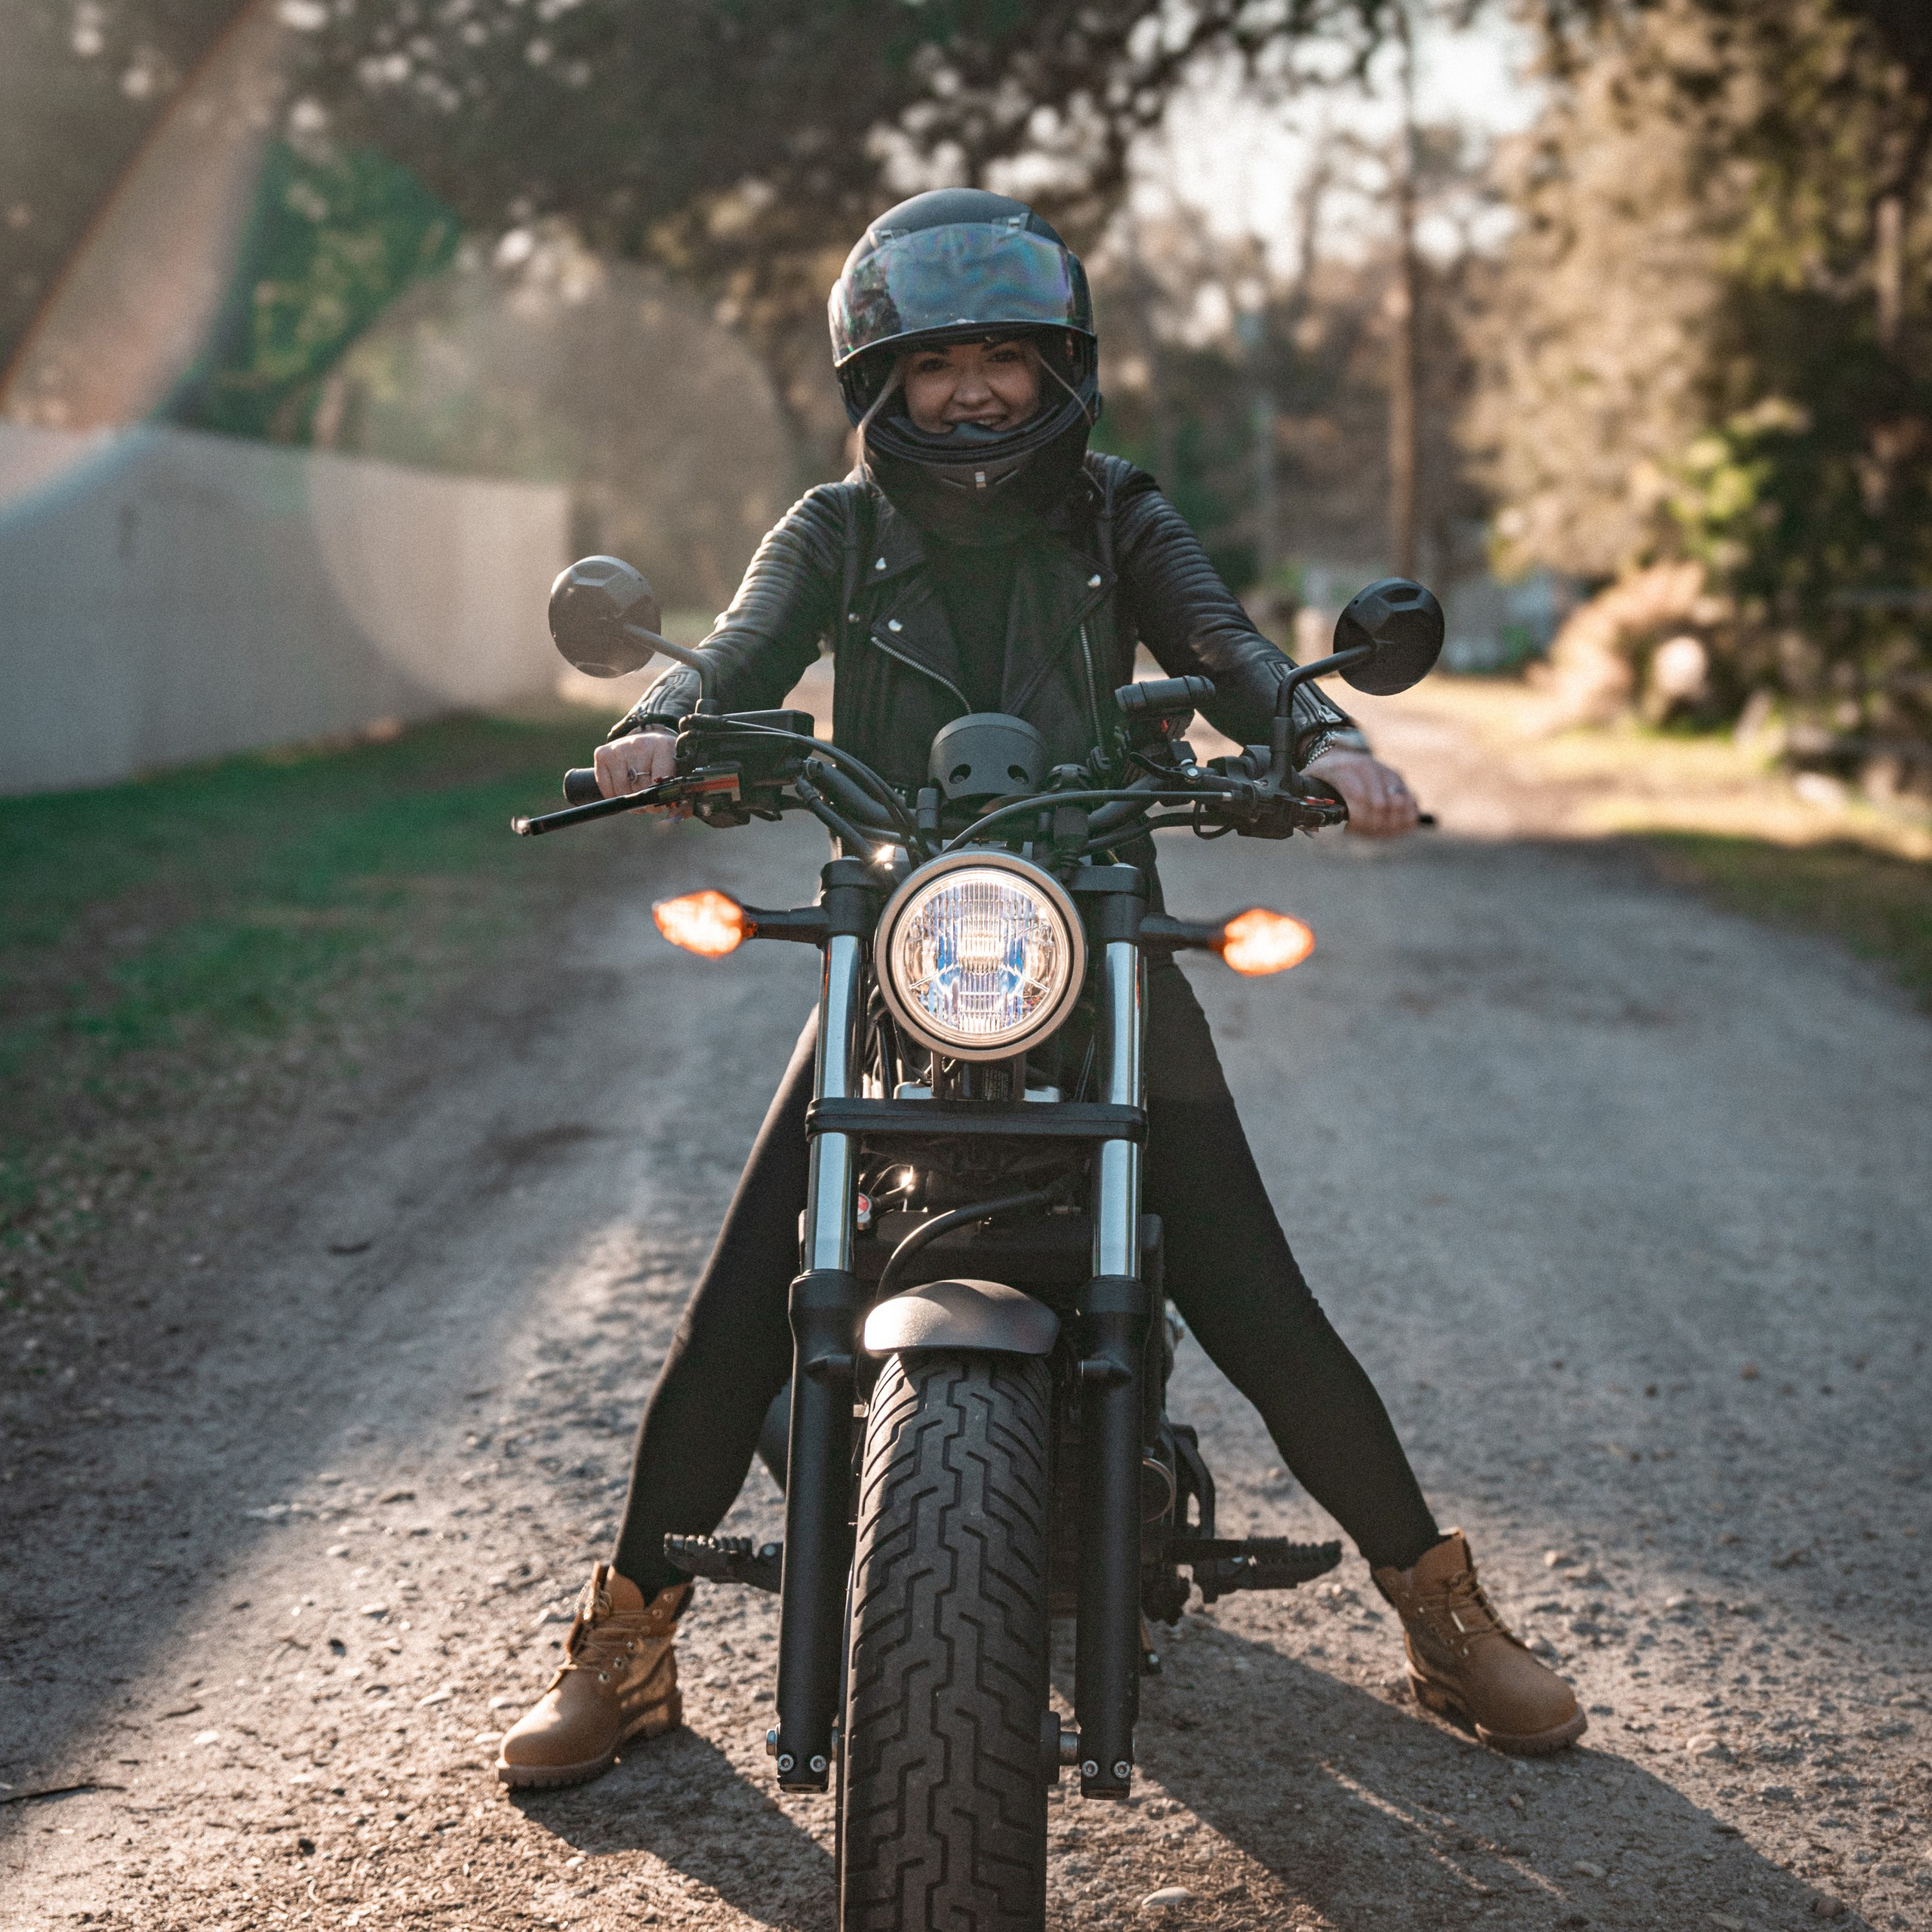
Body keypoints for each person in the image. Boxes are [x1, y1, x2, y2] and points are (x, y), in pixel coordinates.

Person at [496, 189, 1583, 1789]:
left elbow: (1225, 652)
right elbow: (730, 652)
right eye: (937, 363)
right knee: (744, 1289)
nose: (974, 392)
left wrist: (1323, 741)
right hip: (903, 930)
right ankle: (626, 1642)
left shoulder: (1115, 512)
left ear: (1057, 363)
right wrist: (668, 720)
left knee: (1255, 1288)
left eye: (1004, 354)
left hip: (1095, 925)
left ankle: (1437, 1612)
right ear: (883, 379)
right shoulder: (834, 524)